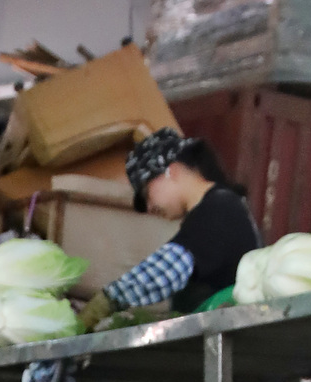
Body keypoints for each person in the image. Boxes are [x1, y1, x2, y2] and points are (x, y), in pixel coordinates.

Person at [79, 129, 261, 332]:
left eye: (147, 193)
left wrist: (110, 299)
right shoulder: (216, 207)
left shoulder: (220, 207)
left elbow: (170, 267)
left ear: (171, 172)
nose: (149, 207)